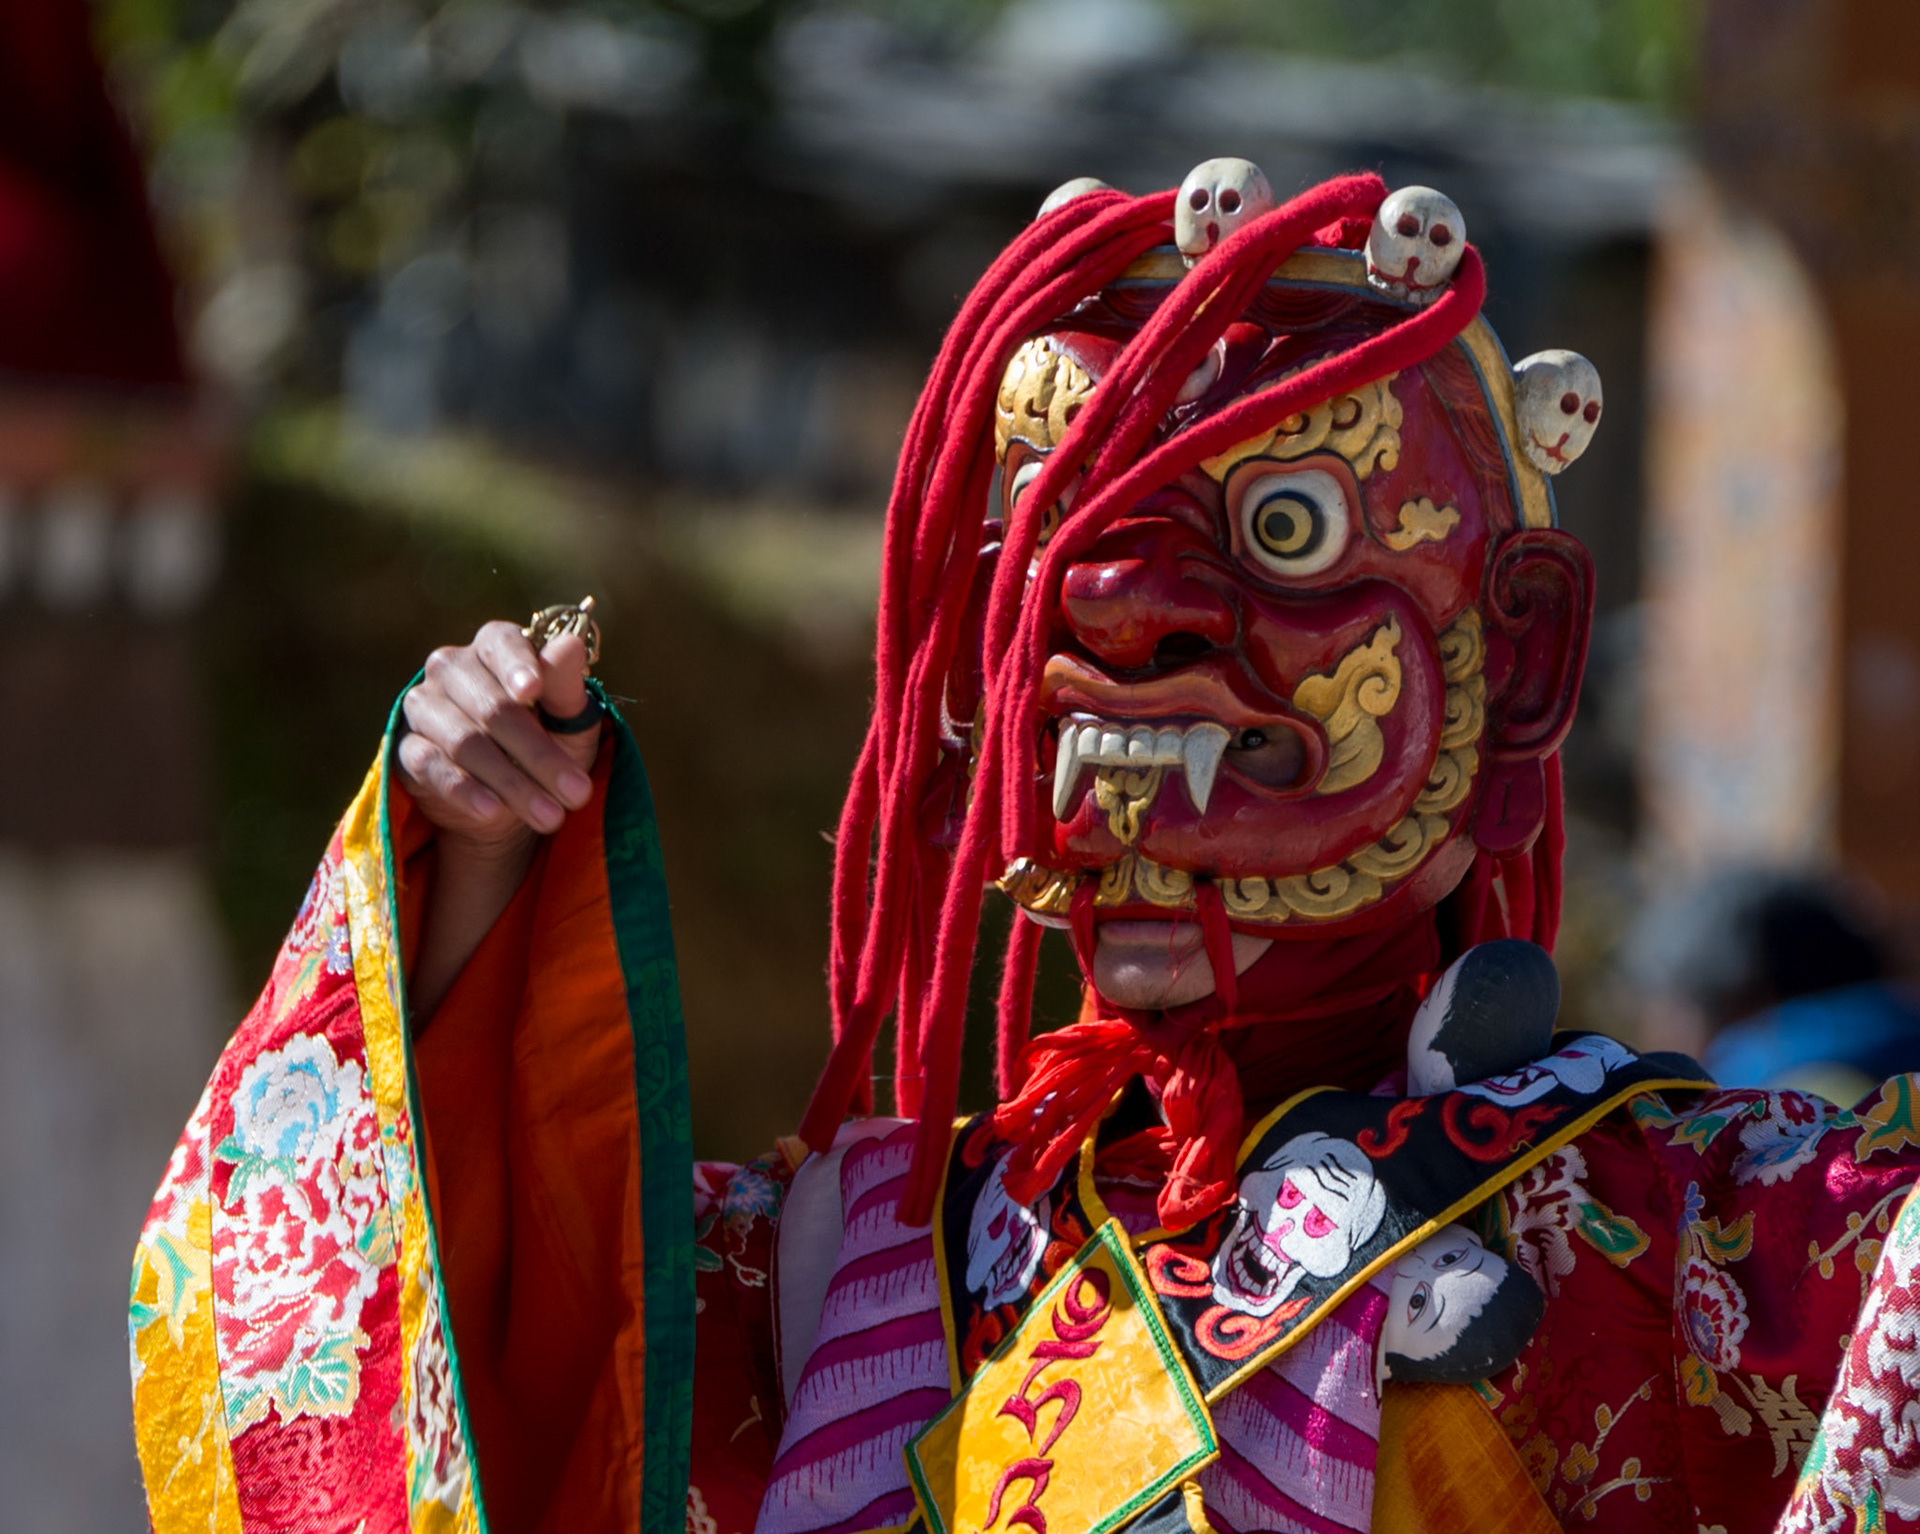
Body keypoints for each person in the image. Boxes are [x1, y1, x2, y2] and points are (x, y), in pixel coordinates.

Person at [132, 166, 1920, 1534]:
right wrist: (474, 856)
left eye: (1285, 528)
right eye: (1064, 543)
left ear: (1514, 652)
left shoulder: (1674, 1231)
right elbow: (466, 1352)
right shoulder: (874, 1268)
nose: (1123, 617)